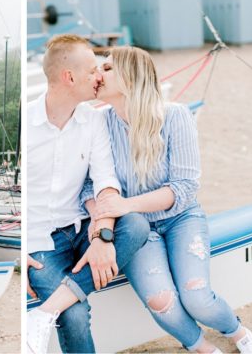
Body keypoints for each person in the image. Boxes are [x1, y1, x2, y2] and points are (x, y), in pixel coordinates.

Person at [85, 47, 252, 354]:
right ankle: (203, 348)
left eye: (107, 68)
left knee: (197, 296)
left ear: (129, 76)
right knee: (161, 301)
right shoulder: (97, 124)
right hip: (136, 229)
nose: (98, 75)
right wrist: (101, 221)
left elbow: (185, 187)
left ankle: (237, 331)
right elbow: (88, 186)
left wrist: (126, 205)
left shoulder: (175, 115)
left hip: (181, 218)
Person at [26, 35, 150, 354]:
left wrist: (102, 236)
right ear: (69, 77)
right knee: (75, 313)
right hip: (39, 243)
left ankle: (44, 312)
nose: (99, 76)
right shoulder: (23, 123)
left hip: (82, 230)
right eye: (93, 69)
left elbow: (105, 181)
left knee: (136, 225)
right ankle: (50, 312)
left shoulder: (94, 120)